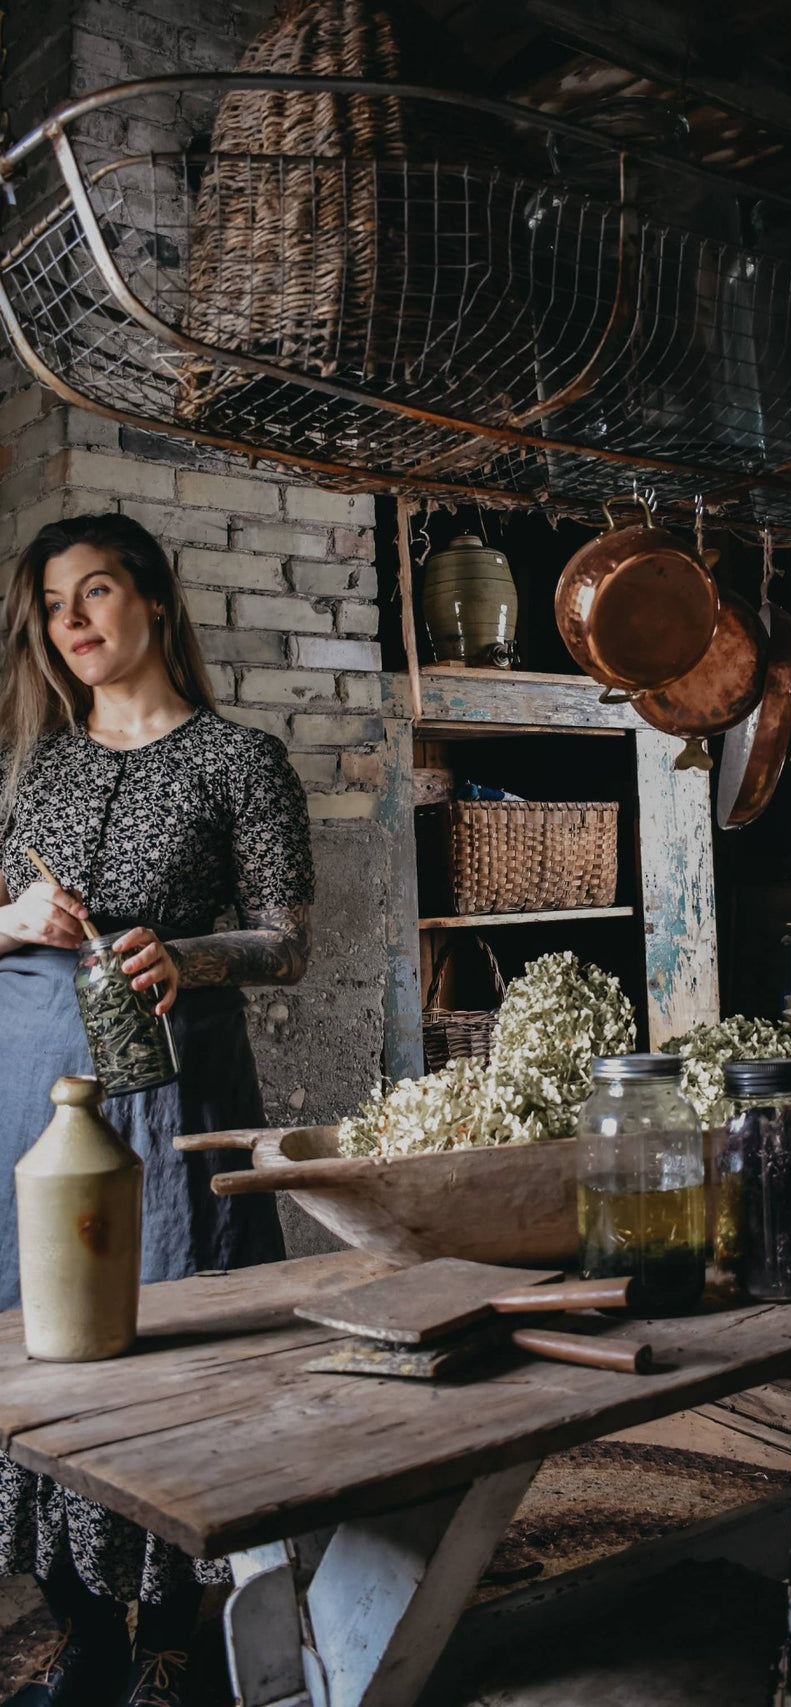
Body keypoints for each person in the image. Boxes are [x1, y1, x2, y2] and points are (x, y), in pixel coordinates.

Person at [0, 514, 315, 1707]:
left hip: (176, 1084)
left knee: (176, 1331)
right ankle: (81, 1630)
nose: (75, 623)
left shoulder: (241, 760)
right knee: (40, 1342)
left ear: (155, 604)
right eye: (56, 606)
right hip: (30, 1085)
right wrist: (16, 920)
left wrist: (187, 952)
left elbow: (286, 942)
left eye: (97, 594)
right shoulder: (32, 767)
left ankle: (176, 1632)